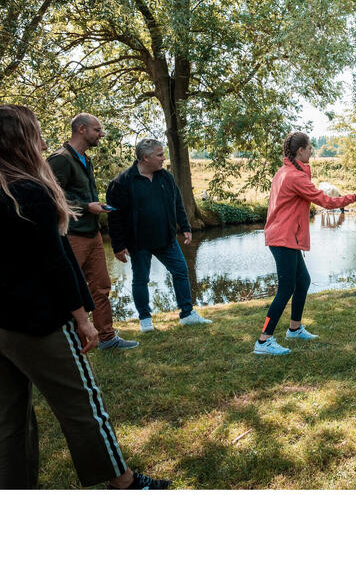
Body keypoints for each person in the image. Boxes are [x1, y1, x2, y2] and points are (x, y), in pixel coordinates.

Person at [0, 105, 169, 489]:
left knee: (9, 419)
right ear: (21, 140)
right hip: (38, 321)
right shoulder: (31, 191)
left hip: (3, 323)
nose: (43, 141)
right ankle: (124, 483)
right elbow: (55, 263)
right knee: (83, 406)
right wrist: (83, 318)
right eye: (36, 133)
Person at [254, 131, 356, 355]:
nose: (312, 153)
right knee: (286, 287)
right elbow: (325, 202)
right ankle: (264, 340)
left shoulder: (286, 171)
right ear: (300, 151)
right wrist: (355, 196)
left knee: (303, 281)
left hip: (286, 236)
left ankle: (295, 329)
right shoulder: (294, 177)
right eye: (309, 149)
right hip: (283, 238)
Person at [47, 113, 139, 351]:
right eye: (97, 130)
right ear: (81, 129)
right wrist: (87, 207)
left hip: (93, 233)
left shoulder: (86, 159)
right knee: (69, 290)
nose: (101, 134)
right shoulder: (60, 159)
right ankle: (69, 343)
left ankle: (107, 338)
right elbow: (52, 197)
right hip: (72, 235)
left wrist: (95, 205)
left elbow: (78, 195)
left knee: (101, 287)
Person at [106, 138, 212, 332]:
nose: (164, 158)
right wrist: (118, 246)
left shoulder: (165, 177)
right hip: (138, 242)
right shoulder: (122, 182)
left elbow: (177, 202)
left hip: (166, 238)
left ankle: (187, 314)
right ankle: (145, 320)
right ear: (145, 158)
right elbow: (115, 218)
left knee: (180, 270)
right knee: (140, 279)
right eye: (160, 155)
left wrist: (185, 226)